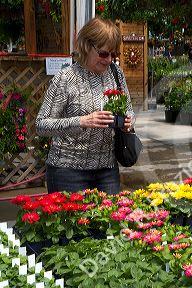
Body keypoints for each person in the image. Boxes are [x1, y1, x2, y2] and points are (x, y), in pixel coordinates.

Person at [36, 17, 134, 194]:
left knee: (110, 221)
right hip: (67, 171)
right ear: (87, 46)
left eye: (113, 54)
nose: (109, 59)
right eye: (104, 53)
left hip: (107, 170)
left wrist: (128, 122)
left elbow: (128, 110)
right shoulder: (66, 78)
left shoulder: (116, 74)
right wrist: (81, 121)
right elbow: (41, 125)